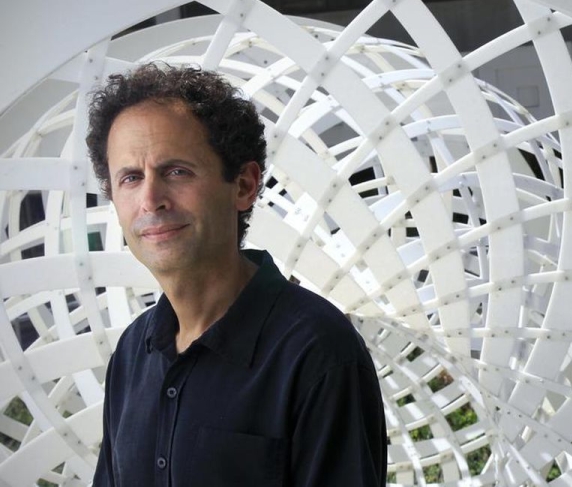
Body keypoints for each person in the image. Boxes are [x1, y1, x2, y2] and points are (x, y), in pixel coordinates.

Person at [87, 63, 387, 486]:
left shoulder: (319, 352)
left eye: (176, 171)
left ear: (244, 186)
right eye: (131, 178)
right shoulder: (133, 352)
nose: (151, 199)